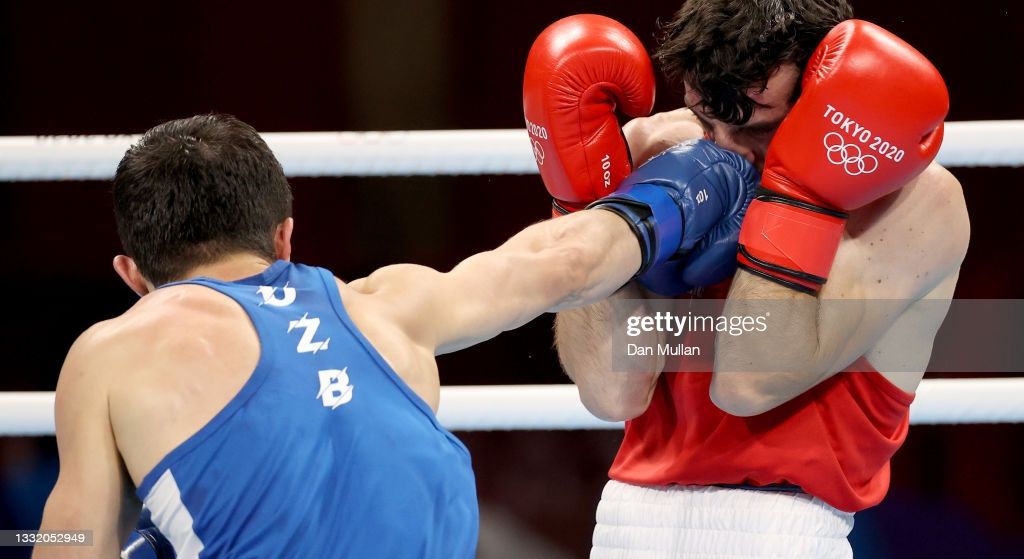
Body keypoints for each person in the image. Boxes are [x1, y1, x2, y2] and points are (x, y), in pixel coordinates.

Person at [34, 113, 759, 558]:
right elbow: (560, 261)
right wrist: (685, 178)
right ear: (285, 235)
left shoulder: (108, 351)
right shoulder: (394, 302)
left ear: (131, 273)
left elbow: (70, 546)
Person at [530, 0, 970, 558]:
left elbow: (750, 380)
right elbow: (611, 393)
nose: (727, 155)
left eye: (759, 130)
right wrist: (583, 202)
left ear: (825, 99)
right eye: (708, 123)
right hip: (628, 519)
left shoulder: (913, 202)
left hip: (784, 527)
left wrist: (799, 192)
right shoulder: (662, 154)